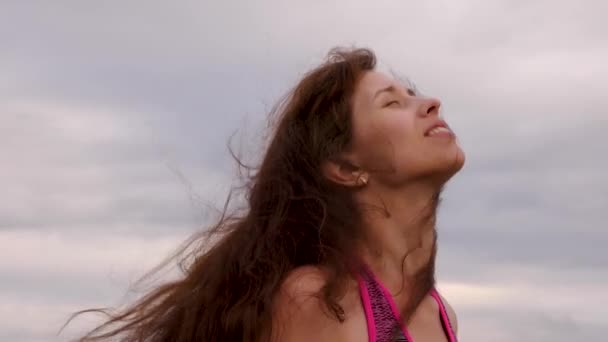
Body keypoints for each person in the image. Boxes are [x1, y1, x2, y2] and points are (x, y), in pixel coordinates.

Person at [73, 47, 465, 342]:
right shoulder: (317, 302)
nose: (430, 103)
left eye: (412, 93)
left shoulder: (440, 313)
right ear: (345, 168)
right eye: (393, 102)